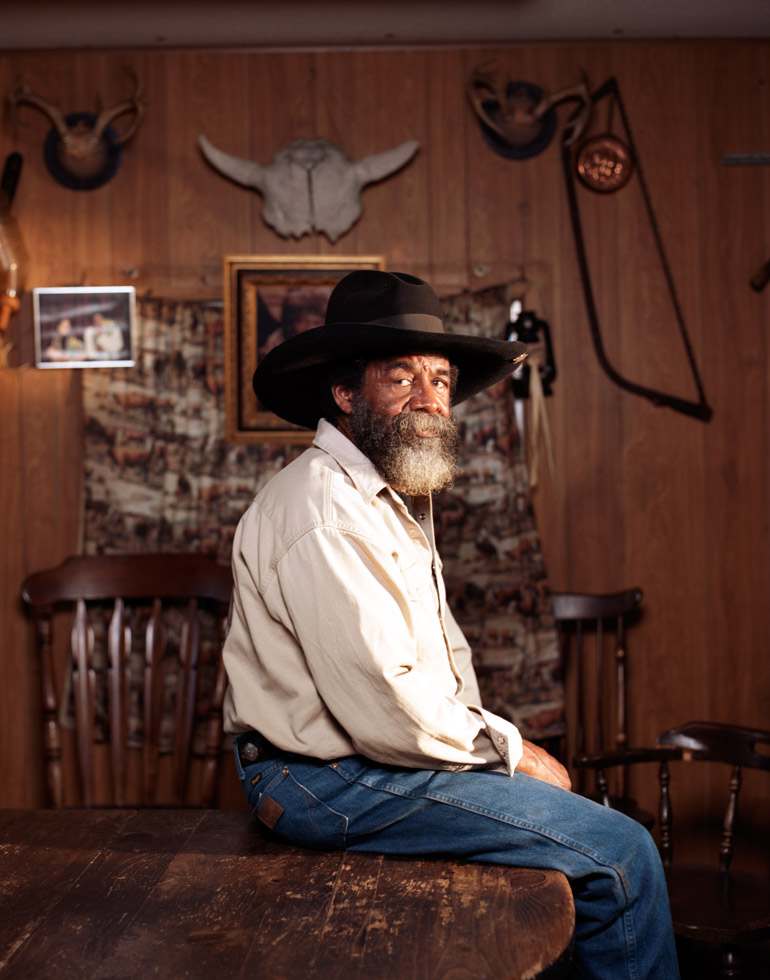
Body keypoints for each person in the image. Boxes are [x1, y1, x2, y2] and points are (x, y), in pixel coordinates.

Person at [222, 270, 680, 980]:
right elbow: (386, 701)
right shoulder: (323, 510)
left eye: (440, 379)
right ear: (346, 395)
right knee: (621, 855)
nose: (429, 399)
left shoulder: (387, 496)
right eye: (401, 377)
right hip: (317, 780)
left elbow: (441, 660)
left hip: (365, 762)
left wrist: (495, 756)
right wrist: (512, 751)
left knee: (554, 865)